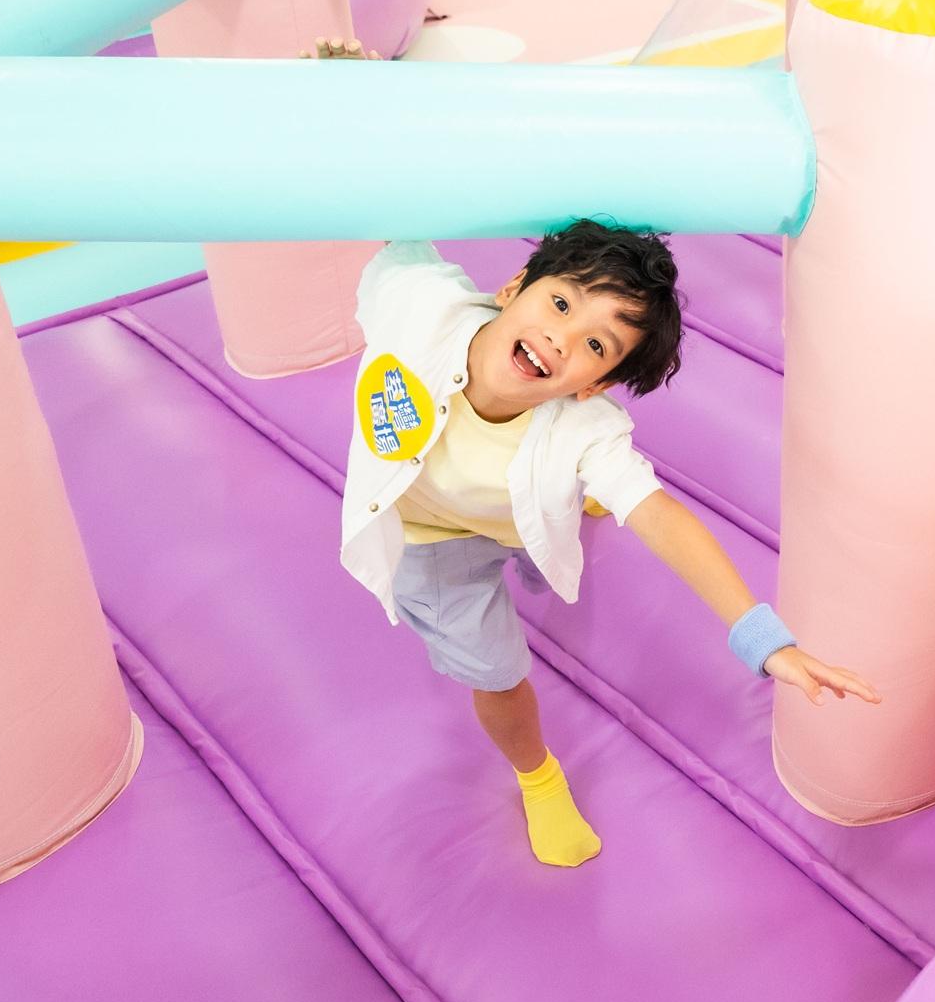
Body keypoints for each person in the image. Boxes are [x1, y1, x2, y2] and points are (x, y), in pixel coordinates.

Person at [338, 224, 879, 866]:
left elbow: (661, 517)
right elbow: (392, 229)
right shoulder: (418, 303)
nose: (560, 338)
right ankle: (538, 776)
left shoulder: (585, 425)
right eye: (560, 303)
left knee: (573, 507)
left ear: (594, 385)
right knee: (500, 677)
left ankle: (591, 491)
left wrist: (766, 641)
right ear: (513, 287)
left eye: (596, 345)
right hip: (430, 541)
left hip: (522, 518)